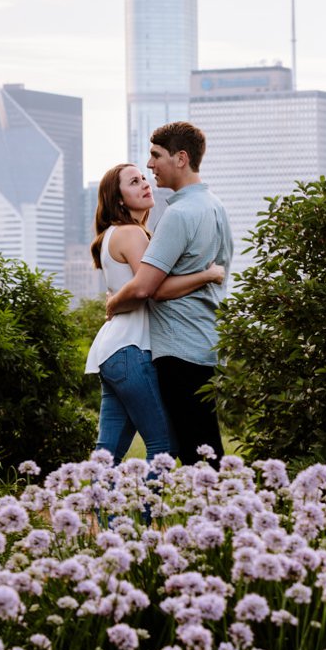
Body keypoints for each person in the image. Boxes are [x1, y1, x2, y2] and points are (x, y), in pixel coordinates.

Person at [103, 120, 233, 460]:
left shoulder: (178, 216)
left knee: (195, 453)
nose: (149, 165)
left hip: (179, 348)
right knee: (204, 444)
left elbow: (149, 288)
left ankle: (211, 513)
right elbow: (219, 272)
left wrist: (114, 301)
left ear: (181, 158)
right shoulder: (216, 207)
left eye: (155, 156)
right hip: (206, 341)